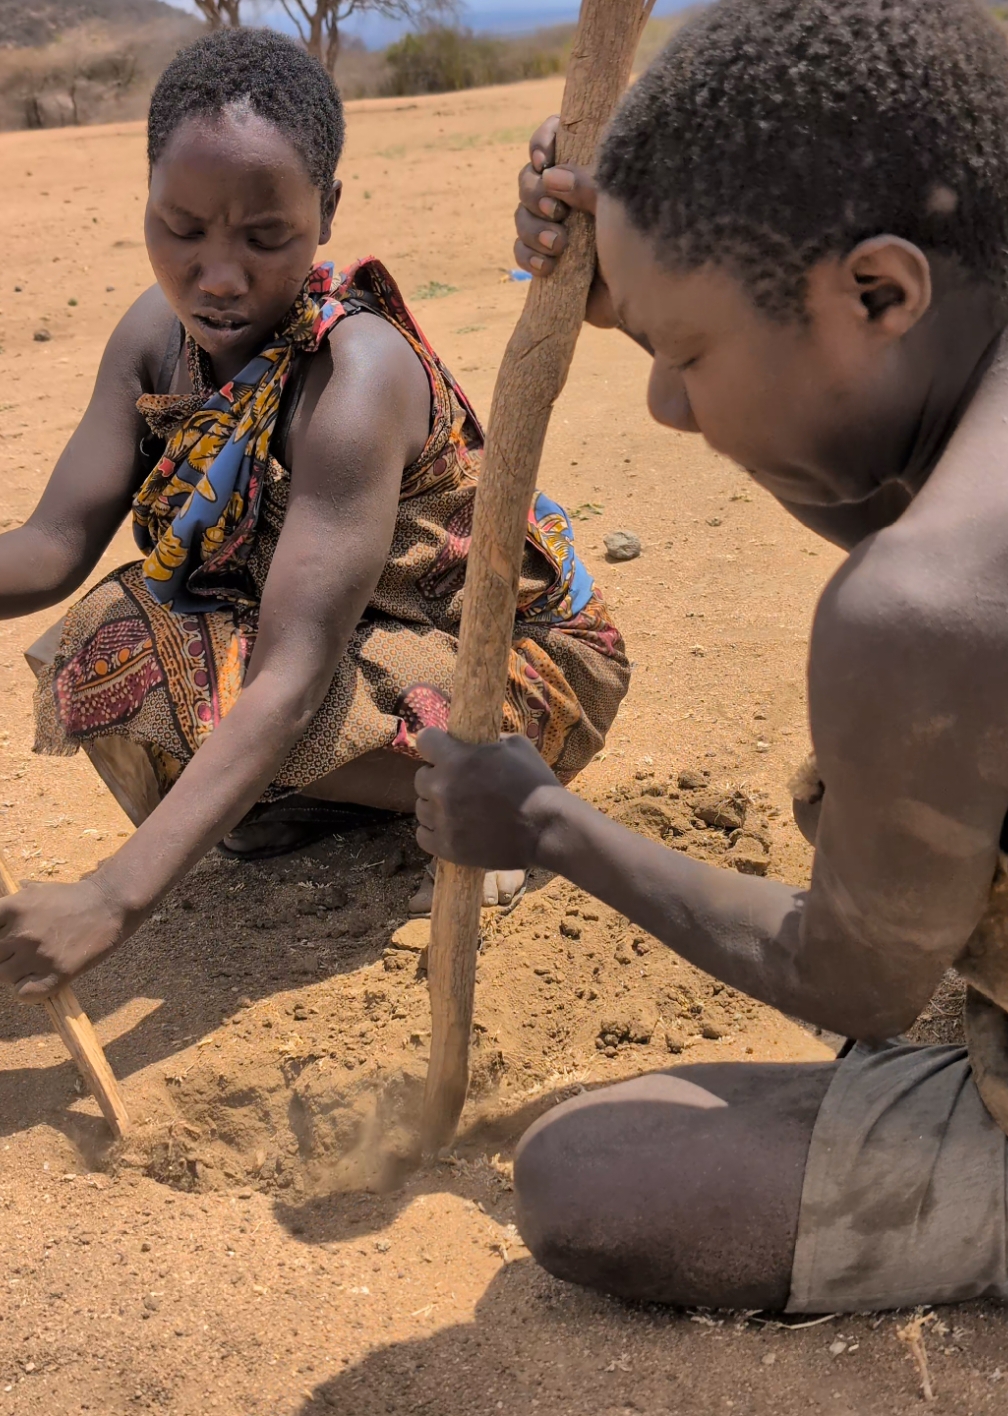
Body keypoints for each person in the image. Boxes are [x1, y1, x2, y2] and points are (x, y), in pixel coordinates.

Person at [414, 0, 1008, 1312]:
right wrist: (641, 283)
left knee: (591, 1170)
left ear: (879, 290)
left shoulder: (919, 609)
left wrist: (546, 823)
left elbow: (851, 979)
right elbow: (894, 471)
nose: (666, 405)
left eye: (684, 352)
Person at [0, 28, 629, 997]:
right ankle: (338, 806)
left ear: (326, 212)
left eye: (264, 237)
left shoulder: (353, 378)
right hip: (358, 647)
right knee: (108, 637)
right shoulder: (150, 340)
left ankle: (500, 818)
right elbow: (49, 547)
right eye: (183, 227)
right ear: (149, 199)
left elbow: (291, 676)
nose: (218, 274)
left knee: (229, 697)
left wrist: (114, 897)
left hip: (504, 663)